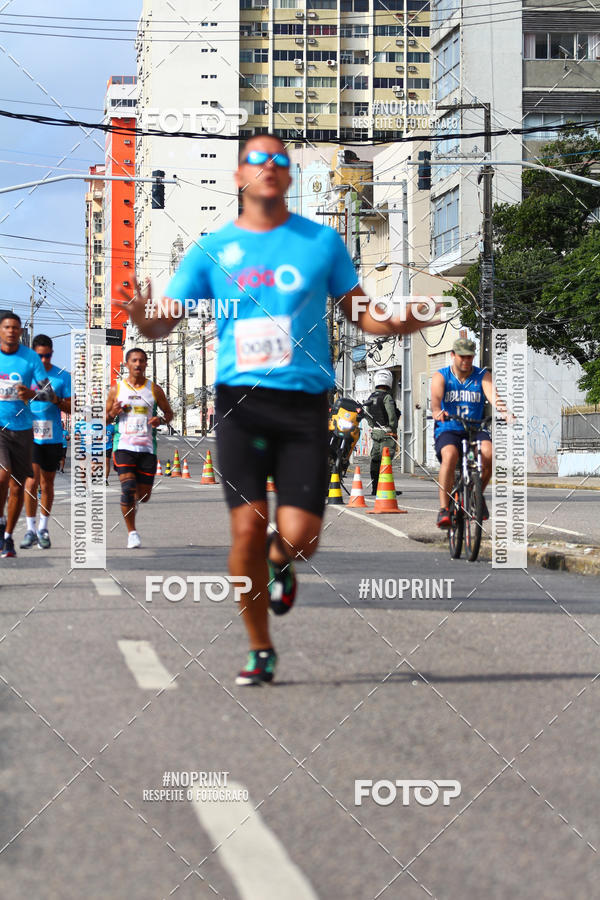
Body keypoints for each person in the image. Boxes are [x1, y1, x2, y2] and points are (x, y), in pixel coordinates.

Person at [114, 132, 441, 684]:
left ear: (289, 176)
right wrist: (142, 317)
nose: (268, 166)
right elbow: (163, 320)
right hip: (239, 402)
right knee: (246, 529)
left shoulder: (322, 244)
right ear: (240, 175)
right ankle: (260, 647)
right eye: (257, 159)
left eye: (279, 160)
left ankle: (280, 561)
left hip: (304, 405)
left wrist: (402, 319)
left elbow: (362, 313)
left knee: (301, 537)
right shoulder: (212, 248)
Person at [431, 336, 510, 528]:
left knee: (489, 454)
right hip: (449, 428)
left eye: (470, 357)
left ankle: (476, 495)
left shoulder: (482, 375)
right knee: (450, 455)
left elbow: (493, 395)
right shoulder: (441, 376)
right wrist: (436, 410)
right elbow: (436, 397)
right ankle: (443, 509)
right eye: (462, 357)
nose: (466, 361)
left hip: (475, 428)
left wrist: (506, 412)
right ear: (453, 355)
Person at [106, 348, 173, 549]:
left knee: (143, 496)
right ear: (126, 364)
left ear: (146, 364)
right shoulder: (116, 389)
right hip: (123, 446)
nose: (138, 364)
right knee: (127, 489)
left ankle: (134, 498)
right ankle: (132, 533)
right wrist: (113, 413)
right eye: (134, 360)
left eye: (142, 361)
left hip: (146, 448)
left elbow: (169, 413)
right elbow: (105, 418)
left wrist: (160, 419)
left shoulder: (154, 389)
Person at [0, 312, 49, 558]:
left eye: (15, 328)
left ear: (20, 332)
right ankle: (0, 522)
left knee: (17, 487)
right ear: (0, 330)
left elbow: (48, 392)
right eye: (7, 327)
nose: (11, 331)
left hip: (22, 429)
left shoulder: (30, 358)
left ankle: (7, 536)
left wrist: (32, 395)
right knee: (2, 473)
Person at [20, 335, 71, 550]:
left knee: (46, 484)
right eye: (39, 356)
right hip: (29, 435)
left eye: (47, 355)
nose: (43, 360)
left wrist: (56, 400)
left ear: (52, 354)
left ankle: (43, 527)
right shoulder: (24, 374)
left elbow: (71, 407)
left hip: (53, 437)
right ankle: (30, 529)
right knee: (31, 482)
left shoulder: (62, 376)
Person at [364, 369, 399, 496]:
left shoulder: (371, 397)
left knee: (375, 461)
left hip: (376, 433)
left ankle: (375, 488)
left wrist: (373, 426)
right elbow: (392, 416)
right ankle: (385, 487)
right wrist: (393, 430)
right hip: (387, 433)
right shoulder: (387, 397)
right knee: (386, 461)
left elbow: (366, 414)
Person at [105, 420, 115, 485]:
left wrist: (113, 438)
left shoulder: (112, 427)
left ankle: (105, 479)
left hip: (108, 447)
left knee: (107, 462)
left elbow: (114, 434)